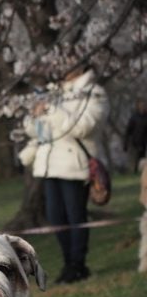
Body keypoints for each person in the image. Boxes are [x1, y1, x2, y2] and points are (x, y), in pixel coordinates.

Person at [19, 65, 109, 284]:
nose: (64, 67)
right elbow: (34, 130)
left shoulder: (94, 93)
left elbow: (82, 128)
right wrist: (35, 115)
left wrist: (55, 111)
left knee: (75, 217)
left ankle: (77, 265)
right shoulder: (54, 93)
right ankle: (69, 262)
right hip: (50, 165)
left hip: (74, 164)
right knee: (56, 217)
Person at [125, 99, 147, 176]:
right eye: (141, 105)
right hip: (135, 142)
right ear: (138, 107)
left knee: (142, 158)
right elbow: (128, 131)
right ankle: (134, 172)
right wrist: (126, 144)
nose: (143, 107)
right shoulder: (134, 117)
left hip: (144, 142)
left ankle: (142, 173)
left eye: (144, 105)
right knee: (136, 158)